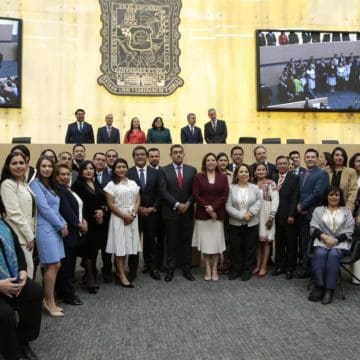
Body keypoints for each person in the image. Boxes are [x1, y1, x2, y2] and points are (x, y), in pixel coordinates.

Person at [30, 155, 68, 317]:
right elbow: (44, 209)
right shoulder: (36, 184)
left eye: (49, 166)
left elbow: (55, 209)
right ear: (38, 167)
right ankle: (49, 302)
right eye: (43, 166)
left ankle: (49, 300)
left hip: (55, 228)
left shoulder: (50, 185)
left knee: (55, 265)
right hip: (45, 229)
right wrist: (61, 224)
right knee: (53, 265)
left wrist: (63, 223)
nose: (47, 169)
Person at [0, 218, 43, 360]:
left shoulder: (2, 223)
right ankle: (12, 354)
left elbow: (17, 248)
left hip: (12, 277)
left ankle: (23, 340)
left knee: (35, 293)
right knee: (4, 314)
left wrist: (23, 271)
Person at [308, 187, 354, 305]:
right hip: (321, 240)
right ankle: (319, 286)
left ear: (340, 197)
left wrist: (335, 239)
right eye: (331, 195)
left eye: (337, 195)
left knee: (333, 255)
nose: (334, 197)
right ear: (326, 197)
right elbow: (313, 227)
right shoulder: (318, 210)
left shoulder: (347, 212)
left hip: (340, 243)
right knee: (319, 253)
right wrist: (325, 237)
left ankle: (329, 289)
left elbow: (350, 230)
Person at [159, 145, 197, 282]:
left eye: (180, 152)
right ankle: (170, 269)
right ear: (170, 155)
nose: (178, 155)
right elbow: (163, 191)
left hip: (187, 211)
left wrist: (187, 204)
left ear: (183, 154)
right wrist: (177, 204)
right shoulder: (163, 170)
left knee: (186, 242)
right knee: (171, 242)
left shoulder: (192, 170)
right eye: (175, 153)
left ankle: (187, 269)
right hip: (170, 212)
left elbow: (195, 191)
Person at [104, 158, 141, 288]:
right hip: (118, 218)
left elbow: (137, 200)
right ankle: (121, 274)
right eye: (118, 167)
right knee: (119, 247)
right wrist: (124, 216)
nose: (121, 169)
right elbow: (110, 204)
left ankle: (119, 271)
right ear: (114, 170)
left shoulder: (133, 182)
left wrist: (133, 214)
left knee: (126, 246)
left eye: (123, 167)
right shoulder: (111, 185)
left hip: (132, 217)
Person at [192, 153, 229, 281]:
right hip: (203, 215)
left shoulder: (223, 177)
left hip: (217, 215)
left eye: (213, 160)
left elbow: (224, 195)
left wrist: (214, 208)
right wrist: (208, 207)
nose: (211, 162)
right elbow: (196, 195)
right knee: (206, 244)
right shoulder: (198, 177)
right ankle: (207, 268)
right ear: (204, 162)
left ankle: (215, 269)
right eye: (208, 160)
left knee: (216, 244)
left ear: (216, 162)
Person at [72, 161, 107, 294]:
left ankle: (88, 272)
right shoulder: (78, 185)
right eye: (85, 168)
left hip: (98, 223)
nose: (89, 170)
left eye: (91, 168)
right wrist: (82, 221)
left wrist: (102, 211)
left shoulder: (96, 183)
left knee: (94, 250)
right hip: (86, 223)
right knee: (87, 250)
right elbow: (76, 206)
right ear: (81, 171)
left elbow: (103, 201)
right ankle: (90, 280)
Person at [55, 162, 87, 306]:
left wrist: (83, 220)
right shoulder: (59, 190)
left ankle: (63, 291)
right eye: (62, 174)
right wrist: (80, 225)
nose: (66, 176)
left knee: (69, 263)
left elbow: (78, 208)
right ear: (56, 176)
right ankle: (68, 295)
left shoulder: (68, 189)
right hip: (69, 232)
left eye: (68, 174)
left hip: (75, 230)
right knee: (67, 265)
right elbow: (67, 211)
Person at [0, 152, 36, 279]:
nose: (18, 166)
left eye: (21, 163)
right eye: (14, 163)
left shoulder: (24, 185)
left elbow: (30, 213)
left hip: (27, 236)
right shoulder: (7, 184)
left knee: (28, 274)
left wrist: (31, 234)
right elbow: (14, 213)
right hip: (18, 237)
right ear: (8, 166)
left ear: (26, 165)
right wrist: (30, 236)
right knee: (24, 276)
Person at [296, 148, 329, 279]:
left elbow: (318, 193)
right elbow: (300, 193)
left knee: (316, 243)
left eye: (312, 157)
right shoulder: (302, 174)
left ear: (317, 159)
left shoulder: (322, 174)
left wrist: (303, 205)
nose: (309, 159)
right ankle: (306, 269)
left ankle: (317, 271)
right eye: (307, 157)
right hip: (302, 215)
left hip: (315, 214)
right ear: (304, 159)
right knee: (304, 242)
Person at [226, 164, 262, 281]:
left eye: (246, 171)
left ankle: (247, 270)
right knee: (236, 247)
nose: (244, 174)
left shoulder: (255, 188)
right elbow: (228, 206)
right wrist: (242, 215)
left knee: (250, 248)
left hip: (251, 222)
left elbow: (259, 202)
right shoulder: (231, 188)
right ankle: (236, 270)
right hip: (235, 223)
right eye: (241, 172)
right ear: (236, 175)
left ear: (249, 174)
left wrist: (250, 213)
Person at [272, 156, 299, 279]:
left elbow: (295, 197)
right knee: (279, 243)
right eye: (279, 164)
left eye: (284, 163)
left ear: (289, 165)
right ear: (276, 165)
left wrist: (291, 214)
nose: (282, 165)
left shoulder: (295, 178)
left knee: (291, 243)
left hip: (289, 217)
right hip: (276, 217)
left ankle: (290, 268)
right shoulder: (273, 178)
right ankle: (279, 266)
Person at [253, 163, 279, 278]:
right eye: (258, 169)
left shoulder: (271, 183)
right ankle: (258, 265)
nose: (260, 171)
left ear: (267, 172)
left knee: (266, 242)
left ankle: (264, 266)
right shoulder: (251, 184)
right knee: (257, 243)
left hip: (267, 215)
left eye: (263, 169)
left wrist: (271, 217)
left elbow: (275, 200)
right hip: (254, 216)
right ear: (254, 172)